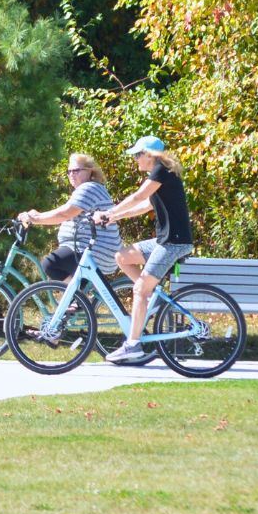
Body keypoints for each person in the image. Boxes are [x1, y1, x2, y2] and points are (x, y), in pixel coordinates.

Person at [93, 136, 193, 365]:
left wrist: (109, 212)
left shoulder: (162, 170)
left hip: (174, 243)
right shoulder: (160, 176)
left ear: (150, 155)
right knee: (122, 256)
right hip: (163, 241)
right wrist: (113, 217)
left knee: (139, 290)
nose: (135, 159)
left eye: (138, 155)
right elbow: (142, 206)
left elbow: (137, 196)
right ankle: (150, 292)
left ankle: (133, 345)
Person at [16, 153, 120, 282]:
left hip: (95, 250)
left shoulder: (89, 188)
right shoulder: (89, 188)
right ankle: (79, 300)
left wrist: (36, 219)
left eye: (76, 170)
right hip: (89, 249)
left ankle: (78, 298)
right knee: (64, 277)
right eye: (69, 171)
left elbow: (64, 213)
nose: (71, 174)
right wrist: (38, 216)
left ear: (90, 171)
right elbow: (65, 212)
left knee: (50, 264)